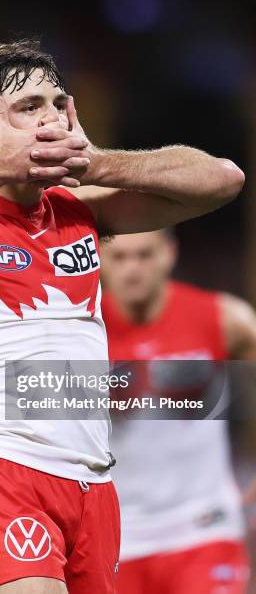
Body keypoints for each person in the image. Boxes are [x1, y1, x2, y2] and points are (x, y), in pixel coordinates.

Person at [0, 39, 244, 594]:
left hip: (96, 487)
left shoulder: (81, 209)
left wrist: (96, 162)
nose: (47, 118)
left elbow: (224, 179)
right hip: (7, 469)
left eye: (55, 104)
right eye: (27, 108)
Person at [101, 230, 256, 594]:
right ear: (100, 261)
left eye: (144, 255)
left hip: (203, 529)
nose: (132, 269)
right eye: (120, 258)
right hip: (118, 539)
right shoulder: (79, 330)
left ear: (168, 255)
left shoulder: (221, 318)